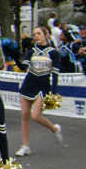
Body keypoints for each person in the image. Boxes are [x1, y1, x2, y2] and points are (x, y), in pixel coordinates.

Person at [14, 26, 62, 157]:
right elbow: (24, 67)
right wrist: (16, 57)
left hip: (43, 87)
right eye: (34, 34)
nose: (36, 36)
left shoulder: (53, 53)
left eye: (39, 33)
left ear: (46, 34)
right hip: (28, 85)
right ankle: (25, 146)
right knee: (24, 115)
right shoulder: (31, 52)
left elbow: (56, 74)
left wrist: (54, 93)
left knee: (35, 116)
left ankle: (55, 129)